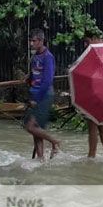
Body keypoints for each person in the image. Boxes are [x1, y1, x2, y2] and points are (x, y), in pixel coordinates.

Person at [23, 29, 60, 160]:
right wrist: (29, 76)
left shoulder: (48, 57)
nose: (31, 43)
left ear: (41, 41)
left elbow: (47, 80)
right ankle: (40, 159)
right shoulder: (35, 57)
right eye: (30, 41)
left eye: (34, 41)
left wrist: (37, 99)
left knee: (29, 126)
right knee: (36, 131)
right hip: (35, 93)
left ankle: (55, 141)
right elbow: (36, 73)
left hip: (44, 95)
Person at [84, 29, 103, 159]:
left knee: (93, 126)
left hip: (98, 93)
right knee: (102, 126)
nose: (86, 45)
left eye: (88, 41)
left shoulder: (100, 53)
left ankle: (91, 156)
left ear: (95, 38)